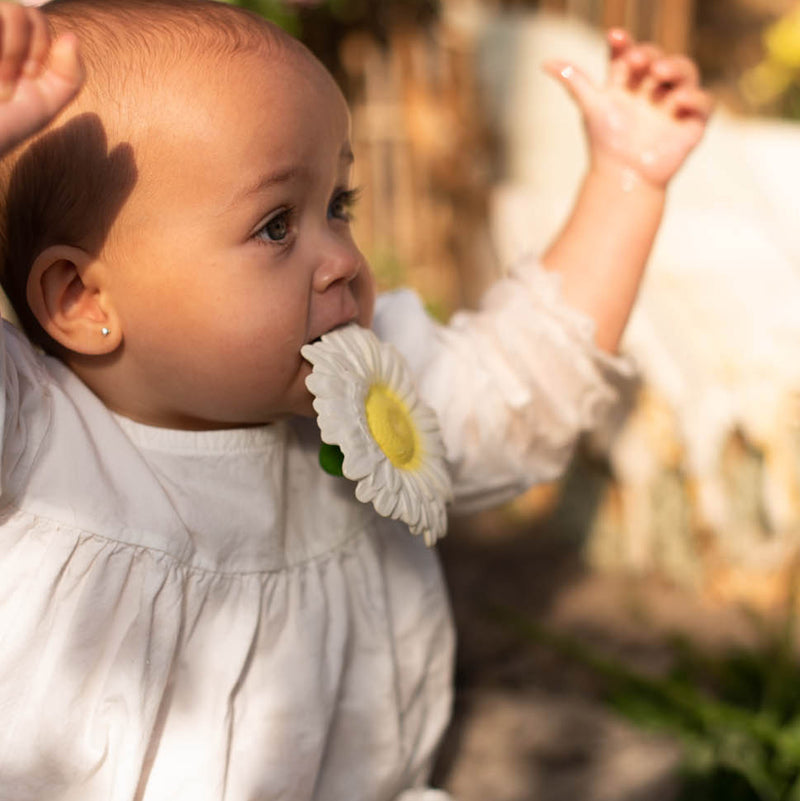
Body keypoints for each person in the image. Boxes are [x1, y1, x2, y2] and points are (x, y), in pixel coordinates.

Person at [0, 1, 711, 798]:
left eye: (338, 205)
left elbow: (519, 385)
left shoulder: (364, 384)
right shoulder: (33, 437)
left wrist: (628, 181)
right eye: (275, 225)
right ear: (79, 297)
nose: (341, 258)